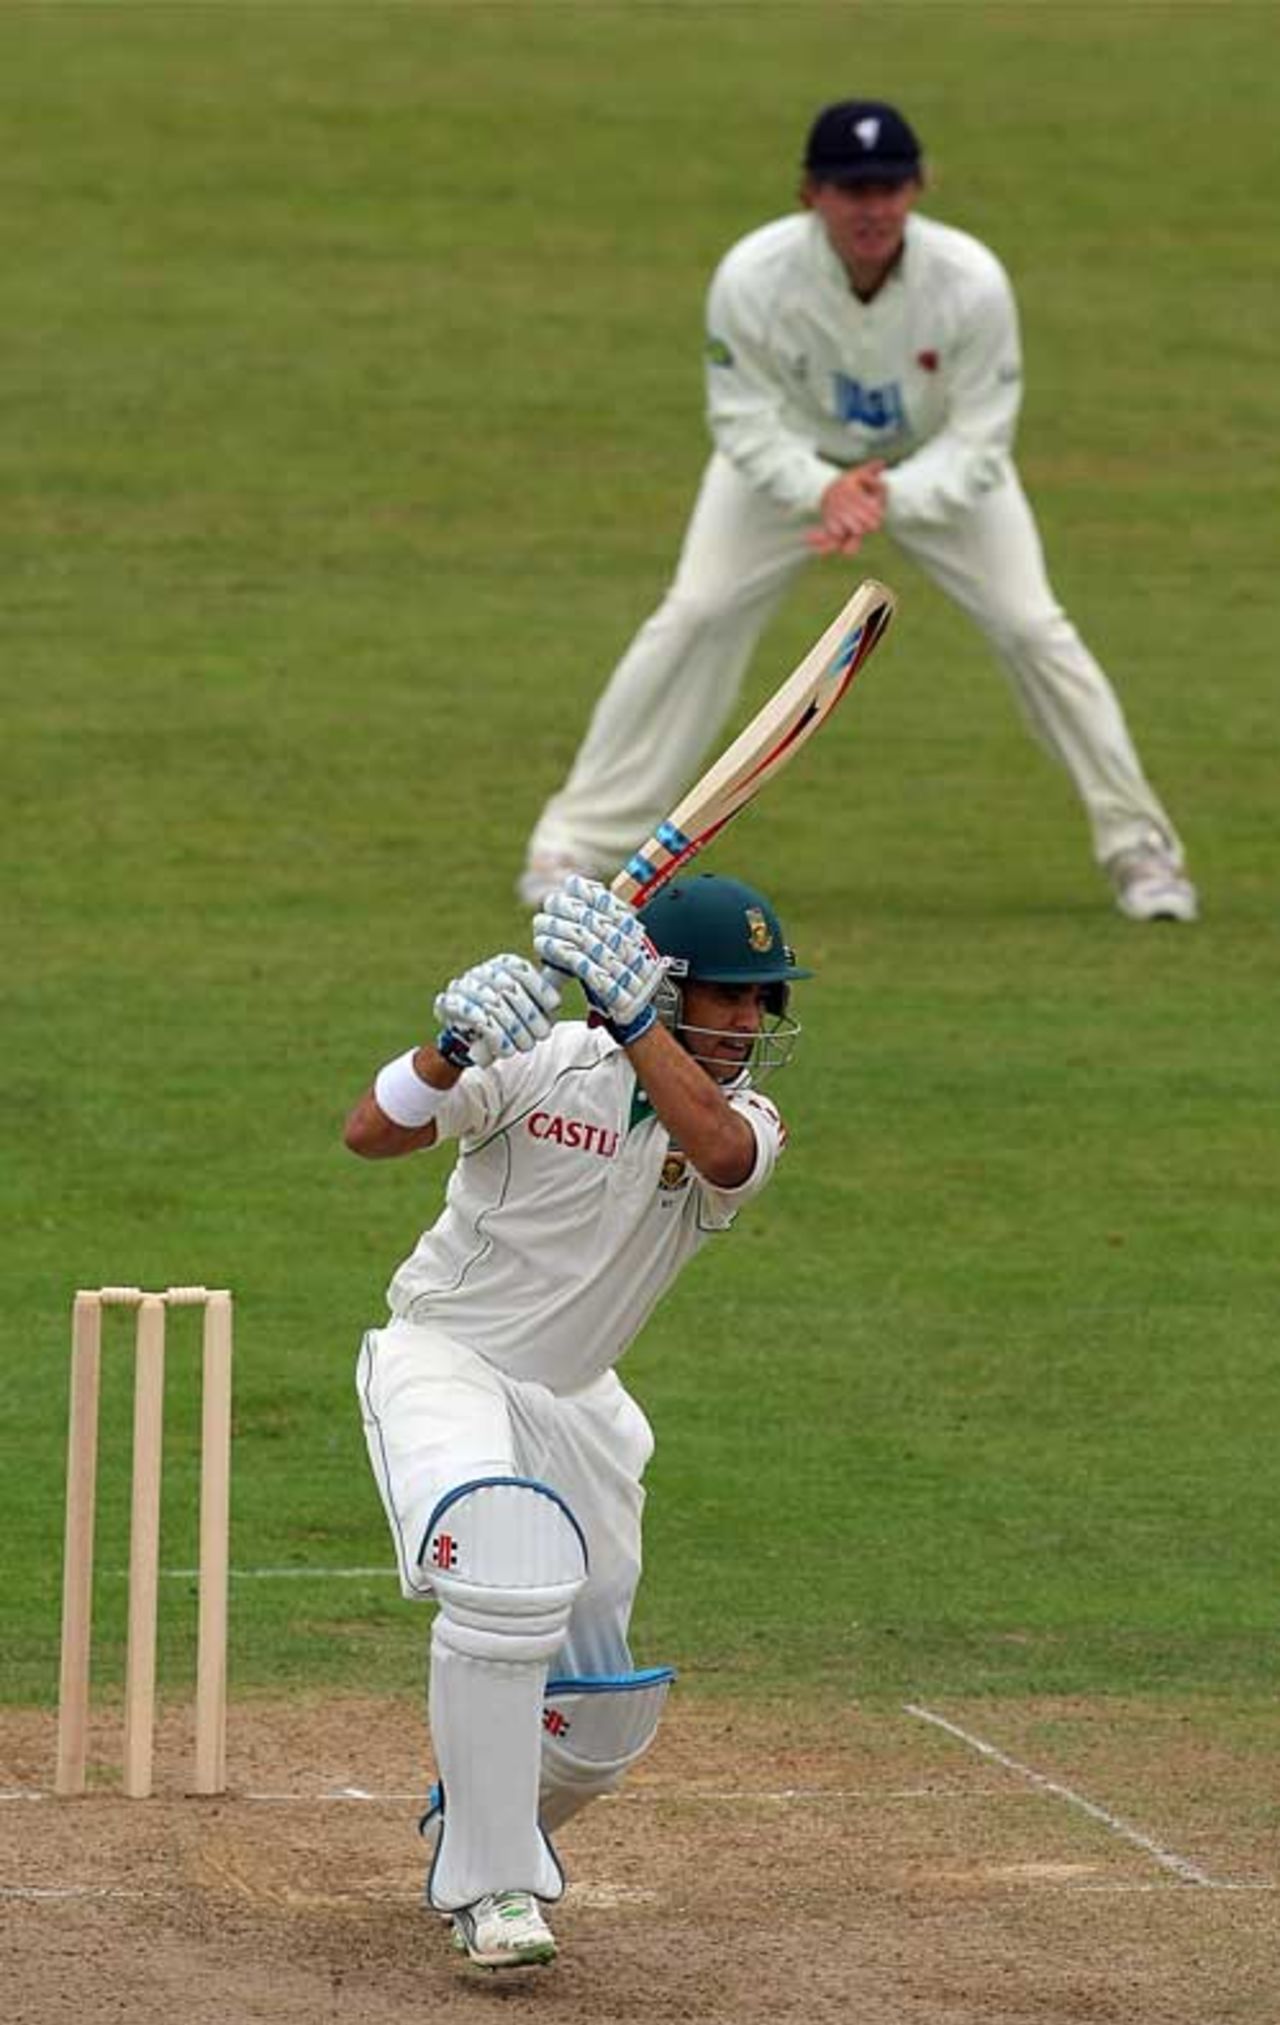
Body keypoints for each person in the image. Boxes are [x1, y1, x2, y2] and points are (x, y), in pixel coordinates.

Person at [517, 99, 1197, 925]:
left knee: (1033, 629)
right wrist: (819, 488)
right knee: (695, 614)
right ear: (812, 194)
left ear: (917, 188)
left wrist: (885, 495)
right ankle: (573, 844)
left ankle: (1141, 852)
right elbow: (742, 420)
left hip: (940, 469)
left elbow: (984, 437)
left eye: (887, 186)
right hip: (783, 472)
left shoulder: (972, 282)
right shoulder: (753, 276)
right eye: (850, 188)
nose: (870, 206)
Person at [345, 871, 806, 1970]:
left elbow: (722, 1156)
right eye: (730, 998)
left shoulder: (744, 1119)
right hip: (446, 1362)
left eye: (760, 1003)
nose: (747, 1023)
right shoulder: (544, 1059)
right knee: (501, 1574)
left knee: (597, 1730)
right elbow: (372, 1132)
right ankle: (493, 1891)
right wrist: (450, 1047)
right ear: (661, 982)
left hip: (581, 1400)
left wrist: (642, 1016)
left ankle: (482, 1819)